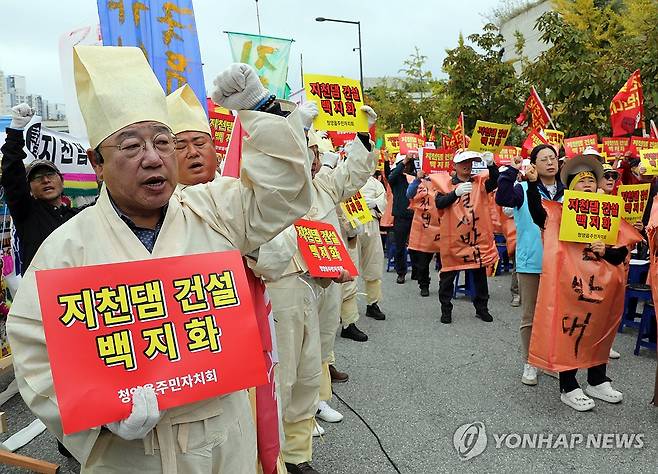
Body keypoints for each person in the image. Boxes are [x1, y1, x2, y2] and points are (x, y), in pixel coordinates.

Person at [7, 46, 313, 473]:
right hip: (130, 452)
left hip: (225, 434)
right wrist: (100, 414)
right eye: (131, 146)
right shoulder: (67, 249)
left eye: (162, 142)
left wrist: (259, 110)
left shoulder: (214, 210)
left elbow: (284, 193)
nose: (153, 157)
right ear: (97, 162)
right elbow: (33, 348)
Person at [526, 155, 635, 411]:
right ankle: (569, 385)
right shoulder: (557, 213)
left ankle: (597, 380)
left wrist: (604, 251)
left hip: (602, 288)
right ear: (570, 188)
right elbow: (536, 213)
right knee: (570, 333)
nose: (587, 183)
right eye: (580, 180)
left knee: (599, 332)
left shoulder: (609, 213)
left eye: (591, 179)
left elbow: (621, 253)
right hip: (571, 287)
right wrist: (531, 184)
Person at [496, 144, 564, 385]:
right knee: (530, 316)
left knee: (556, 315)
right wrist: (509, 171)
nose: (550, 162)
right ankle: (529, 362)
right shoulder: (522, 189)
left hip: (560, 264)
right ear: (534, 164)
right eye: (543, 159)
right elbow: (501, 197)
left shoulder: (567, 193)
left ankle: (549, 360)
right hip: (531, 261)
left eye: (553, 158)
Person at [0, 105, 78, 274]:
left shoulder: (79, 216)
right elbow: (12, 174)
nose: (45, 180)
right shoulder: (27, 213)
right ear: (28, 188)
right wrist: (15, 131)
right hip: (41, 292)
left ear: (61, 181)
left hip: (78, 292)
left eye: (50, 174)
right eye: (37, 177)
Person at [434, 150, 499, 324]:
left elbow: (495, 181)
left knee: (479, 275)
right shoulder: (445, 184)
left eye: (470, 162)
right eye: (463, 162)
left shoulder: (479, 182)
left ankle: (482, 309)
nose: (467, 166)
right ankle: (445, 310)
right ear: (454, 166)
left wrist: (492, 165)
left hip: (475, 240)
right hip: (454, 240)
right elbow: (439, 203)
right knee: (447, 276)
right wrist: (454, 194)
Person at [166, 84, 218, 186]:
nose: (193, 152)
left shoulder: (241, 191)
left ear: (214, 145)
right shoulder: (163, 201)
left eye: (199, 143)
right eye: (181, 146)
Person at [406, 169, 441, 297]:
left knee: (445, 261)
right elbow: (409, 194)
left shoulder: (445, 181)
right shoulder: (420, 182)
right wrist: (417, 179)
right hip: (424, 229)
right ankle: (424, 285)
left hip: (441, 228)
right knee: (423, 262)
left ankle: (445, 285)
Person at [359, 173, 388, 319]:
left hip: (371, 221)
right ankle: (344, 307)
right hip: (349, 223)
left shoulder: (375, 183)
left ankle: (372, 303)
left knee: (373, 263)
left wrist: (375, 203)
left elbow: (383, 198)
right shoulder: (344, 175)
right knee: (347, 267)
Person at [387, 153, 417, 284]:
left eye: (409, 163)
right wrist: (404, 161)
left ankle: (418, 272)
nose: (406, 166)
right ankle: (401, 272)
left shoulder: (416, 176)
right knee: (400, 246)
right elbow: (390, 176)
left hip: (417, 215)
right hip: (401, 216)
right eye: (405, 163)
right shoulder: (397, 178)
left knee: (418, 246)